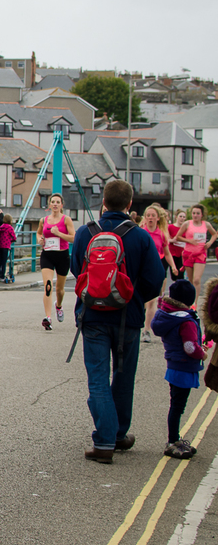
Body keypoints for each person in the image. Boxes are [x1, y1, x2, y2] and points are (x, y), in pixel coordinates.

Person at [70, 179, 165, 464]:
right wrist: (133, 298)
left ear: (103, 203)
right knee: (123, 378)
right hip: (128, 317)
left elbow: (77, 269)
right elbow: (156, 279)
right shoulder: (141, 236)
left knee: (98, 379)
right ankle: (117, 434)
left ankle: (105, 441)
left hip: (93, 316)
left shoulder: (87, 233)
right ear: (130, 204)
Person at [150, 280, 206, 459]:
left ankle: (174, 439)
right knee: (177, 407)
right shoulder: (186, 320)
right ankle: (172, 441)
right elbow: (190, 347)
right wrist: (202, 353)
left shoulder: (167, 315)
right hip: (183, 366)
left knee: (175, 405)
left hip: (174, 365)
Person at [141, 204, 180, 342]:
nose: (150, 218)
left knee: (152, 301)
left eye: (153, 215)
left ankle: (146, 331)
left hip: (156, 270)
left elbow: (167, 253)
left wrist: (173, 267)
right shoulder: (141, 232)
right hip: (142, 270)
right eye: (148, 215)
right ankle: (141, 322)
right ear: (145, 218)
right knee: (142, 301)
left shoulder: (161, 234)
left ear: (157, 218)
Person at [37, 193, 75, 330]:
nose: (55, 204)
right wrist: (39, 239)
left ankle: (58, 306)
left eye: (57, 202)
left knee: (60, 289)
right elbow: (38, 233)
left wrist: (59, 233)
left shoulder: (66, 220)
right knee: (48, 286)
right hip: (47, 255)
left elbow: (73, 238)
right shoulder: (44, 220)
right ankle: (48, 318)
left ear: (61, 205)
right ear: (49, 204)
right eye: (53, 202)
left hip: (62, 256)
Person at [176, 204, 218, 299]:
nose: (195, 215)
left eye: (198, 213)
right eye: (194, 213)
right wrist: (189, 240)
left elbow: (215, 234)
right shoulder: (187, 224)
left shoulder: (206, 224)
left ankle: (195, 302)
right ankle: (190, 301)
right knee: (190, 280)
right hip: (188, 254)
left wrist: (210, 242)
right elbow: (178, 237)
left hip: (200, 254)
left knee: (196, 280)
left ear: (202, 215)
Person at [0, 214, 17, 283]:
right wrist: (10, 241)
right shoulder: (10, 228)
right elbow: (14, 237)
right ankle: (2, 276)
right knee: (4, 261)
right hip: (6, 246)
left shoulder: (1, 227)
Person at [168, 210, 188, 282]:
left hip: (183, 253)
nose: (182, 218)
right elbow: (167, 239)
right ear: (176, 217)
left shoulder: (186, 229)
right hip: (173, 252)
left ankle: (180, 288)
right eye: (180, 216)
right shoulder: (170, 227)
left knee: (181, 274)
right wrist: (173, 240)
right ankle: (175, 287)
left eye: (184, 217)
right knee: (174, 274)